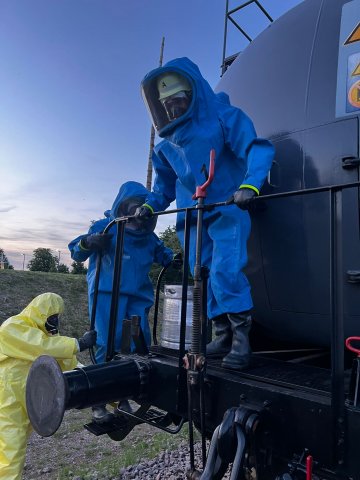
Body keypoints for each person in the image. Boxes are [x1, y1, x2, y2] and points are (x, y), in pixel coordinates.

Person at [137, 57, 275, 371]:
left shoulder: (223, 117)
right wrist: (148, 207)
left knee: (227, 268)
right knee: (202, 272)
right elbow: (163, 188)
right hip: (193, 217)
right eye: (167, 104)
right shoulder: (166, 147)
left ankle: (241, 338)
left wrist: (250, 185)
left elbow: (257, 148)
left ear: (193, 93)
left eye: (179, 100)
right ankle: (222, 334)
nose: (173, 109)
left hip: (228, 206)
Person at [69, 181, 178, 421]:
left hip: (139, 296)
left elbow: (164, 255)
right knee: (106, 341)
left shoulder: (149, 238)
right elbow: (76, 251)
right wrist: (88, 243)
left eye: (142, 208)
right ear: (122, 207)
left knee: (139, 344)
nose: (137, 214)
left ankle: (126, 393)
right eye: (132, 207)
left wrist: (175, 260)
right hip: (107, 293)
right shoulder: (105, 226)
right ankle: (98, 398)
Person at [0, 292, 96, 480]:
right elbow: (39, 346)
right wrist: (79, 343)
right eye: (51, 317)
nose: (55, 322)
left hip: (32, 399)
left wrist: (102, 380)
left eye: (57, 317)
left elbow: (71, 365)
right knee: (10, 450)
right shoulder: (13, 326)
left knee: (14, 447)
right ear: (40, 313)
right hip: (8, 398)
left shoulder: (52, 340)